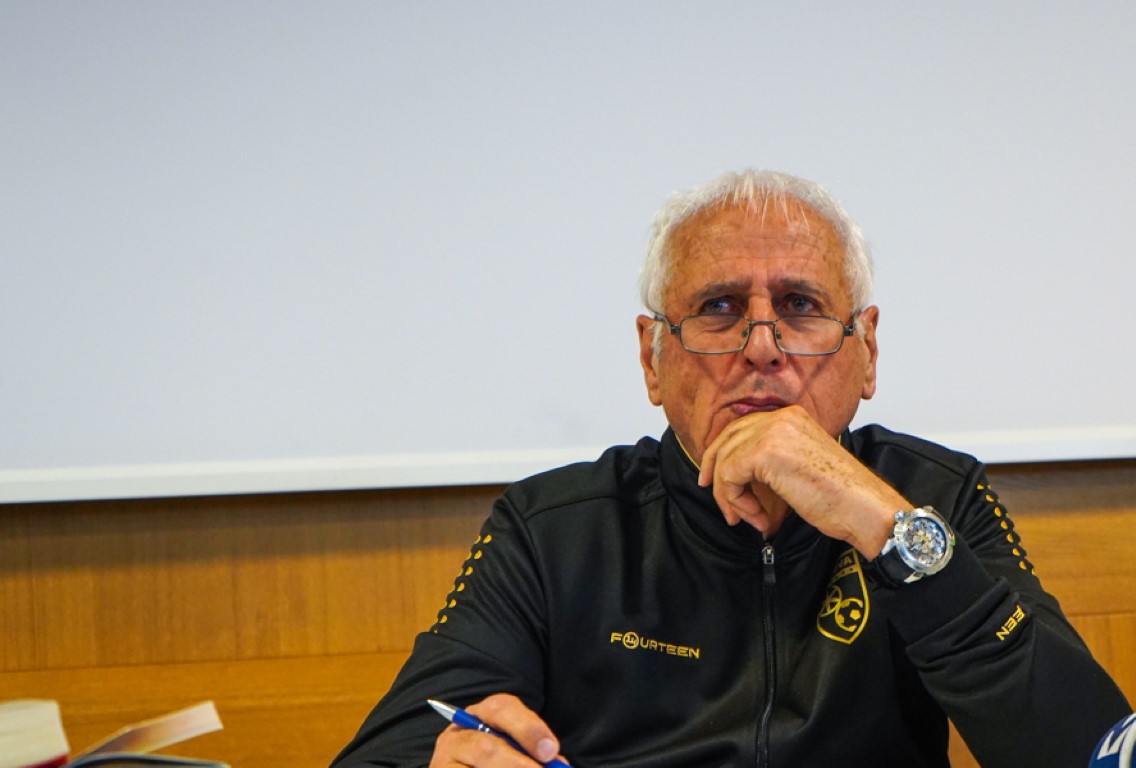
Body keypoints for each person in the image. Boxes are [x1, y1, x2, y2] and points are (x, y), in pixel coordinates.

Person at [331, 170, 1130, 767]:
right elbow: (390, 752)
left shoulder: (932, 498)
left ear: (867, 352)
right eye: (719, 309)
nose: (763, 347)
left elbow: (1091, 750)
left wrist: (883, 528)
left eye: (801, 306)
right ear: (652, 357)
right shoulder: (555, 531)